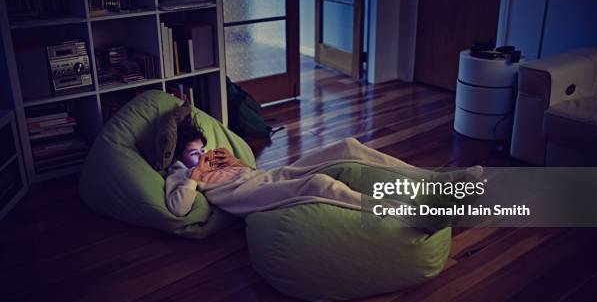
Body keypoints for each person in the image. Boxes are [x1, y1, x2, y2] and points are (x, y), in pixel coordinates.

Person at [165, 119, 484, 222]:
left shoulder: (214, 160)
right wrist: (196, 174)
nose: (203, 156)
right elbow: (178, 207)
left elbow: (250, 171)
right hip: (256, 197)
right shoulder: (180, 174)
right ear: (181, 158)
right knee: (318, 183)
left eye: (203, 149)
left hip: (267, 177)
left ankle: (437, 181)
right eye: (195, 153)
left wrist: (237, 164)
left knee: (347, 145)